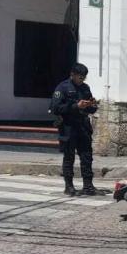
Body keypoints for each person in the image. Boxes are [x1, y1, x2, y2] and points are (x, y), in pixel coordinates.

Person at [50, 63, 99, 196]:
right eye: (79, 77)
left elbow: (91, 109)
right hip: (68, 127)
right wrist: (75, 106)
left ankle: (88, 186)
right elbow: (55, 108)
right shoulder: (63, 87)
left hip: (83, 126)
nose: (82, 80)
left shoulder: (85, 88)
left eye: (84, 77)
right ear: (72, 75)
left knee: (87, 156)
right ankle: (69, 186)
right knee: (69, 157)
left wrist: (92, 105)